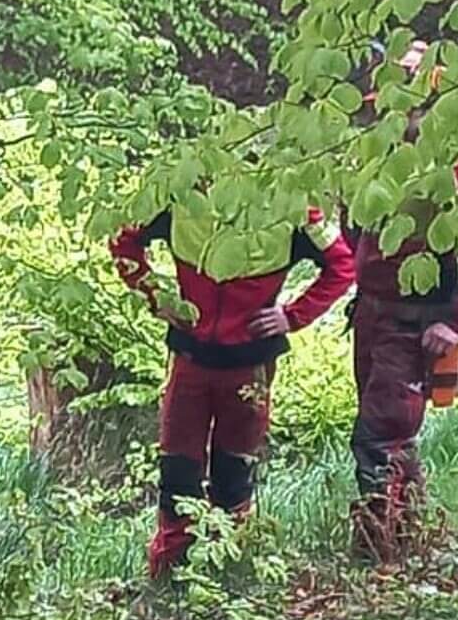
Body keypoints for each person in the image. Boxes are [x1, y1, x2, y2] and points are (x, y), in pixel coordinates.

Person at [111, 188, 354, 576]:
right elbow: (122, 241)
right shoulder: (177, 192)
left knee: (235, 470)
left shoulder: (290, 202)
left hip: (251, 363)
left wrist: (292, 315)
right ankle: (170, 574)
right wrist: (158, 295)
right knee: (177, 470)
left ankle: (229, 570)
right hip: (190, 357)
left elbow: (343, 265)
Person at [341, 41, 458, 561]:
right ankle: (405, 545)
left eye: (408, 106)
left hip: (413, 327)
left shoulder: (450, 167)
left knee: (379, 439)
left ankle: (379, 556)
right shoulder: (376, 158)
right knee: (389, 438)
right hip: (372, 317)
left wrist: (457, 322)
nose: (397, 116)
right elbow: (354, 227)